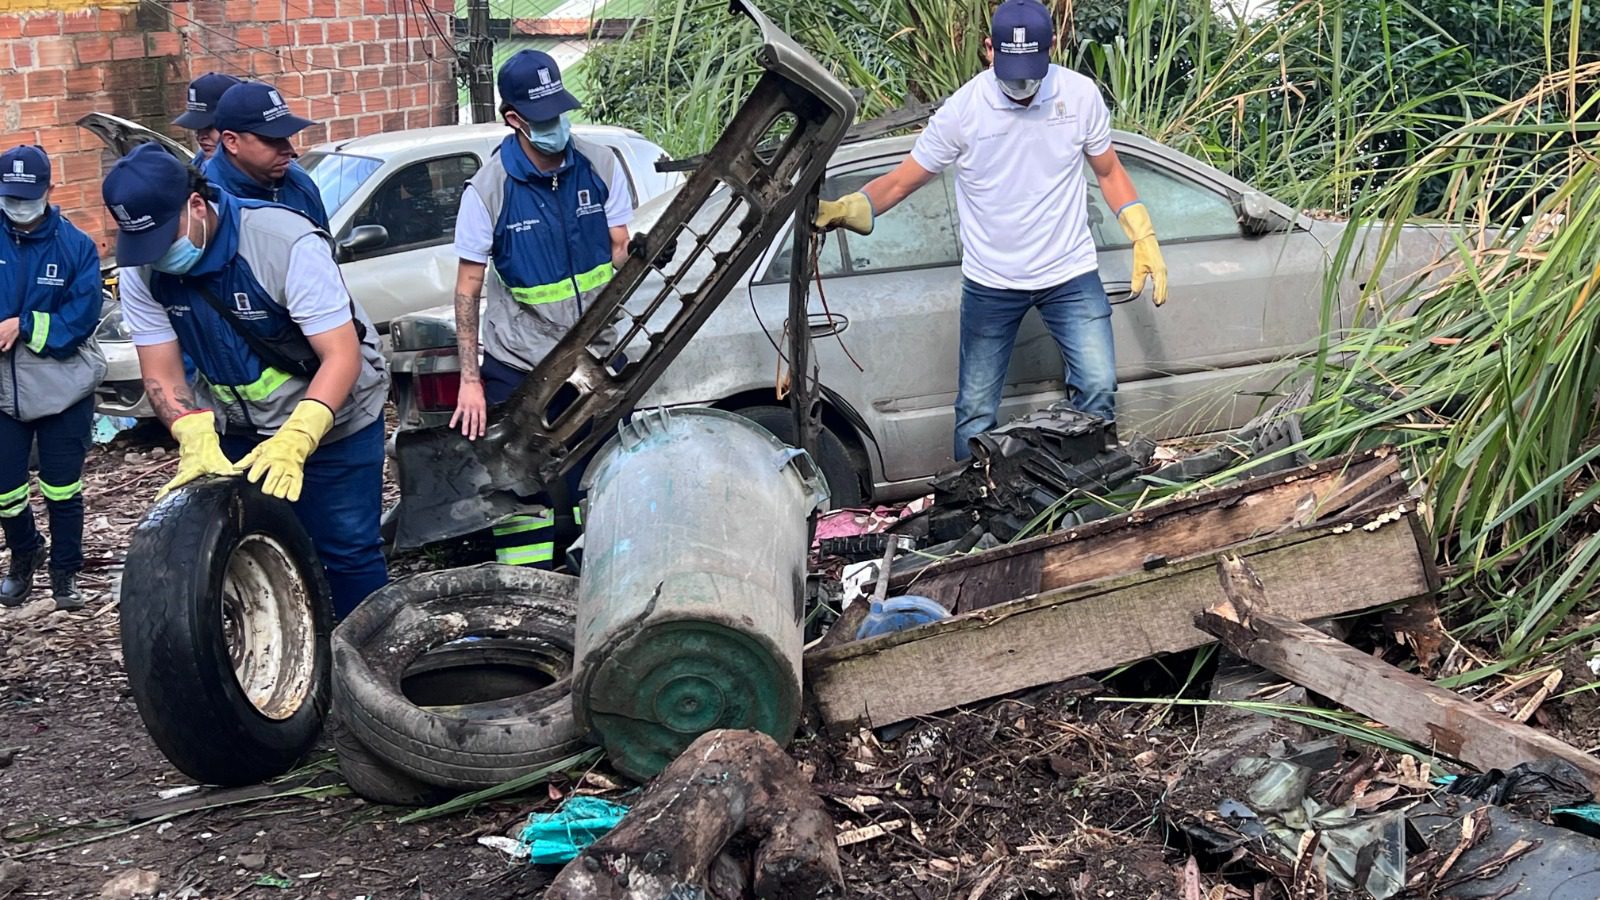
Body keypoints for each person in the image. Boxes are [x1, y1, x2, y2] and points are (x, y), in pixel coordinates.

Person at [815, 0, 1170, 460]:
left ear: (1053, 46)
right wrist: (853, 206)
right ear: (988, 49)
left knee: (1098, 389)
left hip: (1071, 275)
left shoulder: (1079, 96)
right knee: (977, 410)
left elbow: (1108, 171)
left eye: (1030, 69)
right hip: (992, 283)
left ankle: (1086, 499)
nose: (1021, 83)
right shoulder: (963, 111)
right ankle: (977, 509)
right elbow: (905, 179)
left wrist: (1142, 233)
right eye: (1010, 68)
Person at [102, 143, 389, 619]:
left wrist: (299, 437)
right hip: (240, 425)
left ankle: (370, 668)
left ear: (196, 206)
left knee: (346, 550)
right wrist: (190, 432)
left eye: (162, 238)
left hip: (336, 418)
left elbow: (341, 355)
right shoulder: (142, 268)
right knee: (259, 545)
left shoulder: (283, 244)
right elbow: (161, 371)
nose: (155, 255)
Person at [447, 49, 636, 570]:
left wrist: (636, 255)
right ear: (514, 120)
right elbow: (467, 288)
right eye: (544, 118)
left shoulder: (600, 164)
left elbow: (619, 243)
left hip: (597, 359)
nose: (557, 126)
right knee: (520, 491)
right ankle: (526, 590)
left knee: (602, 477)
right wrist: (470, 379)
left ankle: (597, 577)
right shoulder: (488, 190)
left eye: (560, 112)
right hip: (522, 365)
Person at [0, 146, 105, 611]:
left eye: (28, 196)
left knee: (63, 488)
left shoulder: (76, 246)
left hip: (64, 388)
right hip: (4, 392)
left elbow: (79, 321)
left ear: (48, 191)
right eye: (10, 196)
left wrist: (22, 324)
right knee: (4, 491)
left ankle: (65, 574)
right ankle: (25, 554)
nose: (19, 205)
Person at [206, 81, 330, 230]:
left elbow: (326, 249)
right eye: (272, 139)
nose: (289, 150)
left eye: (287, 137)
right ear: (231, 141)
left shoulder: (300, 184)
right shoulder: (206, 200)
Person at [172, 72, 242, 164]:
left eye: (209, 127)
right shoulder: (198, 165)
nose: (201, 137)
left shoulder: (259, 172)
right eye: (197, 128)